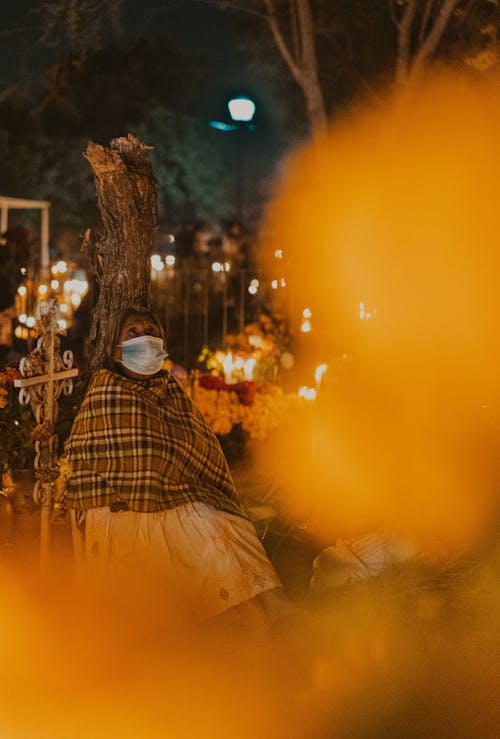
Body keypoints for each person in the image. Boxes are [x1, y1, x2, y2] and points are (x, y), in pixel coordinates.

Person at [64, 306, 285, 624]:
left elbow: (199, 450)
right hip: (118, 502)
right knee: (188, 530)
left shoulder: (171, 392)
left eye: (152, 332)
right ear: (116, 352)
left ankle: (265, 602)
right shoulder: (105, 391)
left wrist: (178, 482)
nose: (145, 338)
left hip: (178, 492)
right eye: (133, 333)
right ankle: (233, 610)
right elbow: (98, 457)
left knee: (229, 527)